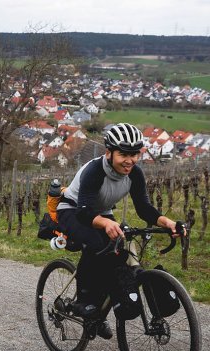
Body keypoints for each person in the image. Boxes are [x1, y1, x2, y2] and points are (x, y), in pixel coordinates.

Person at [55, 122, 186, 335]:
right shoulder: (95, 171)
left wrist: (167, 222)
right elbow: (84, 212)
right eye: (124, 154)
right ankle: (84, 301)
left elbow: (144, 209)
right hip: (73, 210)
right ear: (109, 152)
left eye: (135, 154)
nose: (130, 160)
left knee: (117, 254)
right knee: (97, 245)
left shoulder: (135, 174)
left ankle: (99, 312)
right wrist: (106, 223)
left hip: (101, 212)